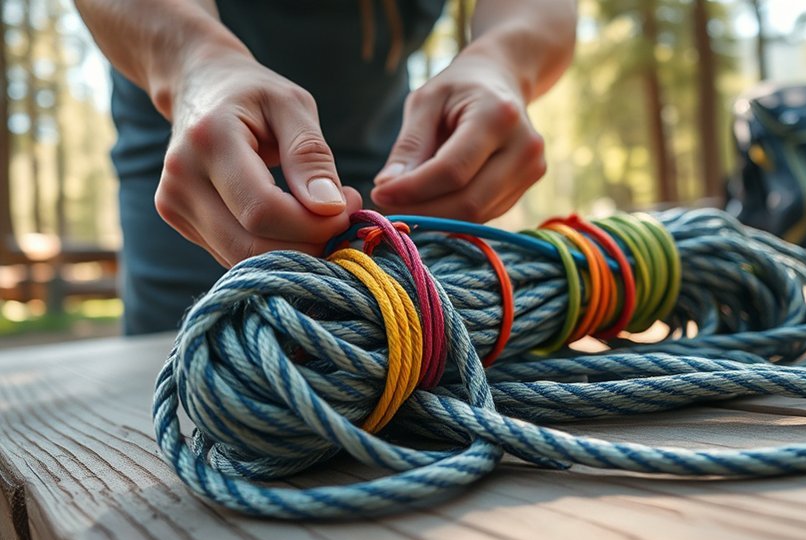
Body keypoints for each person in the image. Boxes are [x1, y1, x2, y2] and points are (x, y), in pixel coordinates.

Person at [73, 0, 577, 334]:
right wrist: (193, 62)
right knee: (199, 366)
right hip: (196, 154)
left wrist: (503, 62)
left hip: (393, 174)